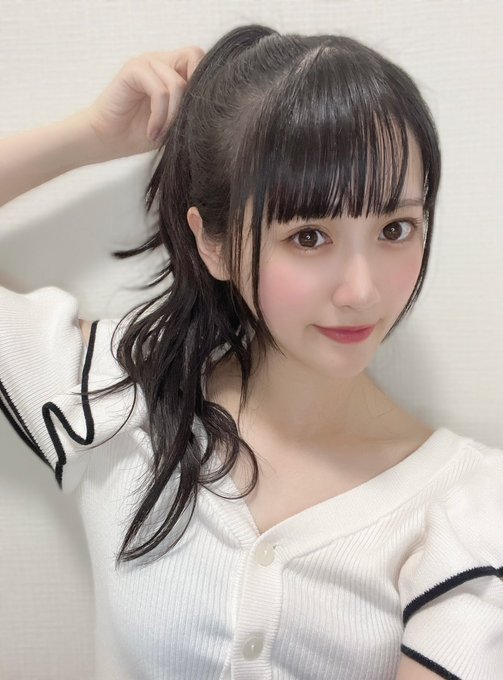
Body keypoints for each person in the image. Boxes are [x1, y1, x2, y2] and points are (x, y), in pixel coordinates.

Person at [0, 23, 502, 680]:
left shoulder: (467, 508)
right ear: (212, 245)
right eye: (308, 236)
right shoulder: (116, 401)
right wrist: (92, 135)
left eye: (395, 228)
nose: (361, 291)